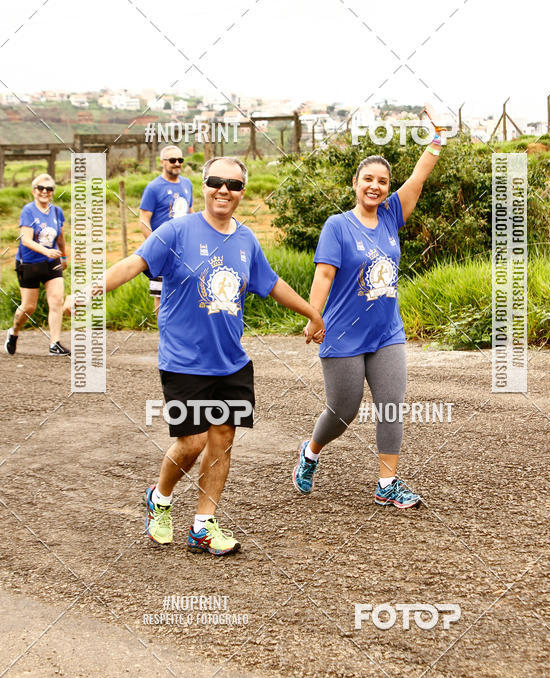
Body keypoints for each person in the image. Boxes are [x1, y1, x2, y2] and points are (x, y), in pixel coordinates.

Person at [67, 156, 324, 556]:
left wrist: (312, 313)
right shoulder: (176, 231)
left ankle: (203, 526)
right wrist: (90, 290)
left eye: (234, 185)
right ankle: (160, 499)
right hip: (183, 360)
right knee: (192, 441)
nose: (224, 190)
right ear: (202, 186)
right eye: (216, 181)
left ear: (242, 192)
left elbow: (272, 284)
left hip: (231, 361)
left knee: (222, 440)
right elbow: (134, 263)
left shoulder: (246, 240)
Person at [293, 106, 445, 508]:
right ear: (355, 183)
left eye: (382, 181)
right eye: (368, 180)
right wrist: (313, 316)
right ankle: (311, 452)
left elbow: (419, 178)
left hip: (386, 331)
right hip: (343, 333)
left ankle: (387, 484)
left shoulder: (392, 214)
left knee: (391, 406)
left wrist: (437, 138)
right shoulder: (337, 226)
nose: (375, 187)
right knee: (342, 412)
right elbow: (324, 275)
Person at [5, 173, 70, 356]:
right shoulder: (28, 211)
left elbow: (60, 237)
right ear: (34, 191)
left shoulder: (56, 212)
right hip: (29, 264)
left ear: (53, 192)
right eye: (40, 188)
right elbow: (25, 240)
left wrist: (64, 256)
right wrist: (45, 251)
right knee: (29, 307)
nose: (44, 192)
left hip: (51, 262)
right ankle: (13, 332)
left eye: (49, 189)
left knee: (56, 300)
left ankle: (54, 343)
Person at [139, 145, 193, 311]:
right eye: (172, 160)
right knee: (160, 294)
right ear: (162, 162)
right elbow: (143, 220)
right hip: (163, 249)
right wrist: (156, 245)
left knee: (185, 290)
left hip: (184, 248)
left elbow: (190, 212)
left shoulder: (187, 184)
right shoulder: (154, 187)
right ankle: (162, 327)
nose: (177, 163)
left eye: (180, 160)